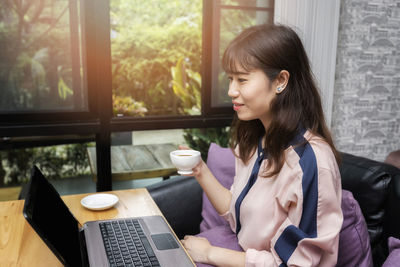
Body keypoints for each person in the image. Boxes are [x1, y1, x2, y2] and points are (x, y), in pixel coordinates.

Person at [180, 24, 343, 267]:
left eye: (242, 80)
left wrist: (210, 254)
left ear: (280, 80)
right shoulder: (257, 139)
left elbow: (295, 265)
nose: (231, 91)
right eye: (231, 79)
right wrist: (200, 170)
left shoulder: (312, 163)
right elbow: (238, 215)